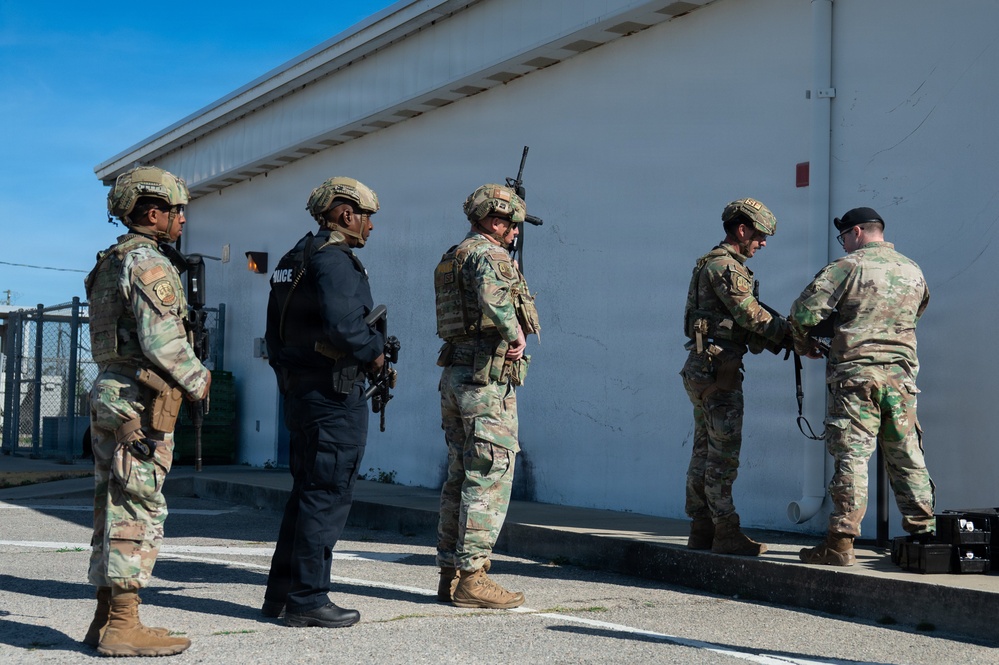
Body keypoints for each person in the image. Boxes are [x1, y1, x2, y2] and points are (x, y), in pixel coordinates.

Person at [84, 165, 211, 657]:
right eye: (177, 210)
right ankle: (122, 624)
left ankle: (105, 618)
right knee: (137, 506)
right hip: (140, 399)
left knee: (109, 508)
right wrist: (200, 381)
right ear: (153, 212)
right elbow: (162, 341)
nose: (182, 219)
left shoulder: (112, 260)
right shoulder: (148, 263)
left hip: (116, 393)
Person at [262, 176, 386, 628]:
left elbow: (276, 332)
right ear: (343, 212)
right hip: (333, 394)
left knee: (306, 494)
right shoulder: (334, 261)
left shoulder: (294, 258)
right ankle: (308, 599)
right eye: (366, 215)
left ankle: (281, 596)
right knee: (327, 494)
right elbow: (345, 327)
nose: (370, 226)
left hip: (303, 391)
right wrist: (374, 357)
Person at [791, 207, 935, 566]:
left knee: (853, 456)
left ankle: (840, 543)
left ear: (856, 232)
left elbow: (802, 314)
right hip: (901, 379)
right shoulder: (913, 269)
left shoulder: (847, 267)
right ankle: (926, 535)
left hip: (856, 378)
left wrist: (803, 343)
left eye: (844, 237)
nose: (844, 243)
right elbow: (914, 316)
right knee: (906, 454)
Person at [433, 183, 540, 608]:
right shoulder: (489, 254)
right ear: (494, 221)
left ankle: (449, 574)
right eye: (511, 224)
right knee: (490, 473)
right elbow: (494, 299)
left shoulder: (451, 256)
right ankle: (474, 577)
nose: (515, 232)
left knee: (459, 475)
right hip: (485, 379)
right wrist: (515, 335)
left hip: (456, 375)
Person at [681, 198, 790, 556]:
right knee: (722, 456)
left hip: (703, 366)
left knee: (703, 450)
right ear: (741, 230)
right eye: (759, 235)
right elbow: (751, 316)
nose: (762, 243)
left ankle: (701, 529)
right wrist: (791, 335)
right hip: (720, 370)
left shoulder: (710, 263)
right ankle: (725, 531)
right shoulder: (726, 267)